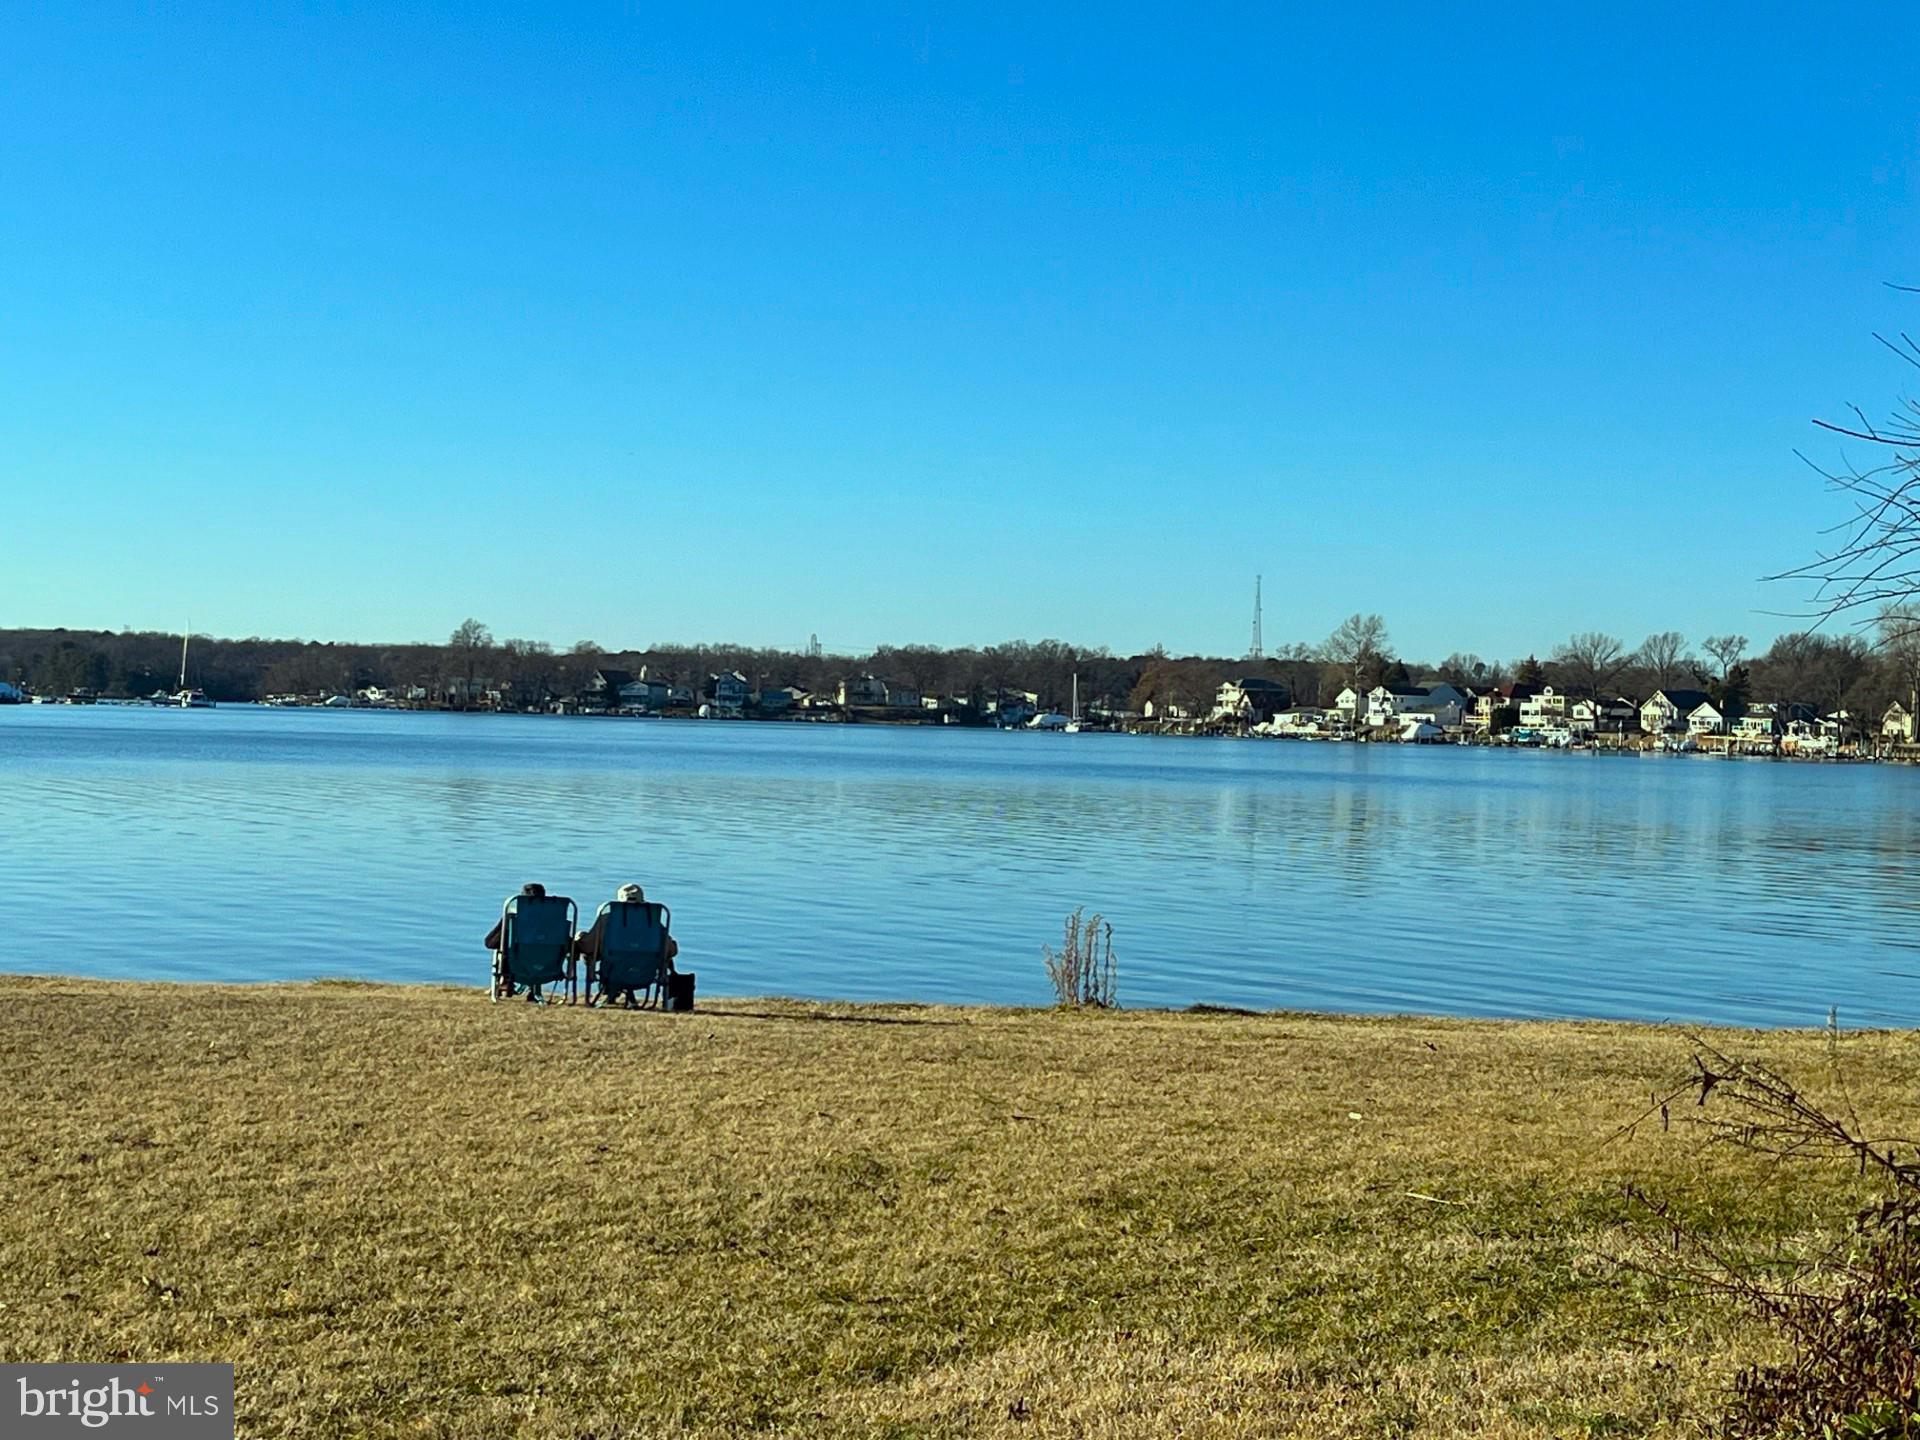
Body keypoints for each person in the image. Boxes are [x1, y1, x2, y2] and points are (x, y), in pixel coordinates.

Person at [577, 882, 678, 1008]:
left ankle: (610, 992)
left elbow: (588, 946)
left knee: (596, 953)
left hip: (612, 970)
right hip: (644, 972)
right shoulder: (652, 921)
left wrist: (578, 938)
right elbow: (671, 950)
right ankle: (625, 996)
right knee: (633, 957)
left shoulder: (608, 919)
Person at [485, 882, 549, 1001]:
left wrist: (506, 921)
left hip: (514, 965)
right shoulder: (554, 918)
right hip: (547, 965)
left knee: (506, 946)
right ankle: (533, 989)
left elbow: (490, 943)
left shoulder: (513, 917)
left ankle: (505, 981)